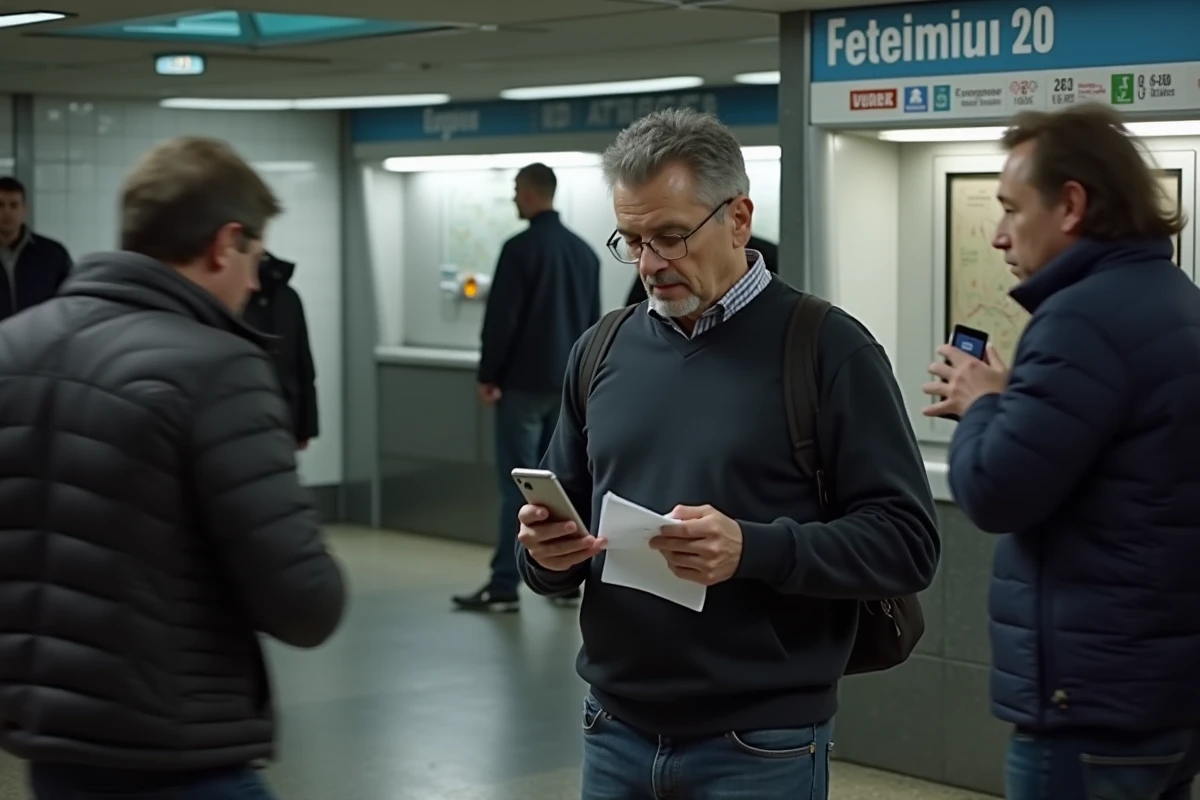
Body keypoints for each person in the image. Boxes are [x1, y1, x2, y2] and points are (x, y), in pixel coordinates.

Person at [515, 108, 939, 799]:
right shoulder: (600, 351)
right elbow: (553, 544)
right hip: (611, 730)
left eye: (672, 237)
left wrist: (751, 549)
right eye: (633, 241)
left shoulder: (828, 350)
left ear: (738, 219)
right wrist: (545, 555)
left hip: (759, 745)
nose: (651, 264)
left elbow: (907, 544)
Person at [0, 137, 346, 800]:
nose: (253, 283)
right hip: (178, 751)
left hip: (53, 750)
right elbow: (305, 603)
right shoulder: (218, 367)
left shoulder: (15, 347)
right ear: (224, 243)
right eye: (254, 258)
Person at [922, 104, 1200, 800]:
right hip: (1164, 695)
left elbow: (993, 491)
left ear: (1071, 204)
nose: (998, 236)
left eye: (1013, 209)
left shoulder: (1079, 318)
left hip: (1091, 703)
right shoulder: (1171, 298)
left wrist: (983, 402)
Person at [453, 162, 601, 613]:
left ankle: (503, 585)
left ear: (535, 193)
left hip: (520, 386)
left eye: (518, 190)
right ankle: (567, 580)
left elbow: (502, 320)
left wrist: (488, 374)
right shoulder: (585, 253)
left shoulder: (518, 250)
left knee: (519, 489)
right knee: (568, 485)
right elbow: (595, 325)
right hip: (567, 391)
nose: (515, 198)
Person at [243, 250, 319, 449]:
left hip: (285, 413)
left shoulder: (288, 298)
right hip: (245, 416)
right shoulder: (233, 298)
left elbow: (304, 363)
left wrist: (306, 427)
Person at [624, 233, 777, 306]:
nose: (646, 266)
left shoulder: (794, 330)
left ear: (740, 220)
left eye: (671, 240)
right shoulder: (616, 334)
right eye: (633, 242)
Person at [0, 176, 72, 320]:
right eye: (0, 205)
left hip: (41, 340)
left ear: (24, 210)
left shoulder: (53, 254)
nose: (7, 212)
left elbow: (71, 300)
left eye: (14, 205)